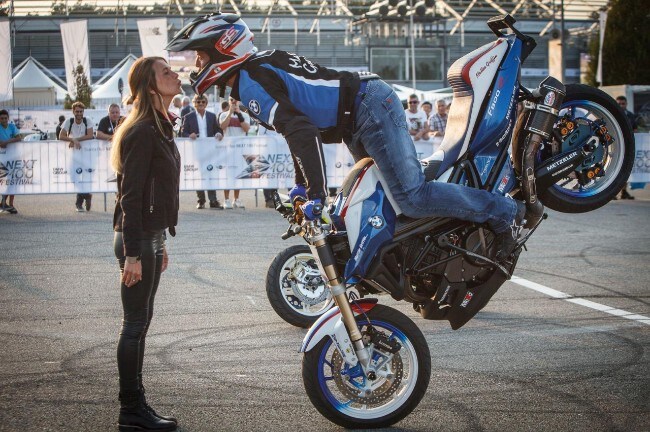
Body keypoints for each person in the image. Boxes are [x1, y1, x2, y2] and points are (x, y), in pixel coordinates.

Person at [166, 13, 526, 262]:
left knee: (412, 197)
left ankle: (504, 212)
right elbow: (297, 131)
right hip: (361, 111)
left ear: (223, 50)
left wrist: (318, 194)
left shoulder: (251, 81)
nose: (196, 67)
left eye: (199, 57)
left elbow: (302, 132)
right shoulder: (255, 73)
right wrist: (302, 187)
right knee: (386, 197)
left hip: (367, 108)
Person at [109, 56, 181, 432]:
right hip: (134, 241)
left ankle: (136, 407)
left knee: (142, 321)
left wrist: (160, 240)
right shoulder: (141, 131)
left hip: (148, 238)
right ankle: (131, 411)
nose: (175, 75)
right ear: (151, 87)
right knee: (134, 324)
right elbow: (130, 197)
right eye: (166, 72)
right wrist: (134, 254)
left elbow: (156, 192)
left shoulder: (161, 127)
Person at [181, 94, 224, 209]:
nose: (200, 104)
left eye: (203, 102)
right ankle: (201, 200)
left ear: (206, 103)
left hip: (210, 150)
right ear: (194, 103)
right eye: (198, 102)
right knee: (198, 175)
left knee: (211, 174)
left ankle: (213, 201)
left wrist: (219, 134)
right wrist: (189, 135)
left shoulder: (211, 116)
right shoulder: (188, 117)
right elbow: (183, 132)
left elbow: (218, 129)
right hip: (196, 150)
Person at [58, 102, 95, 212]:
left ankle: (79, 204)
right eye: (77, 111)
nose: (79, 113)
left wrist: (76, 139)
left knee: (85, 178)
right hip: (74, 154)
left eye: (81, 111)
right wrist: (72, 140)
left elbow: (90, 135)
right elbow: (61, 136)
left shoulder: (87, 120)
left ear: (83, 112)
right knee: (73, 177)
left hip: (87, 154)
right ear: (73, 111)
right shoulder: (69, 121)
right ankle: (86, 195)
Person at [218, 96, 250, 209]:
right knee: (227, 174)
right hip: (227, 149)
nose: (234, 102)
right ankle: (226, 199)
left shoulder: (245, 115)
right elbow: (222, 126)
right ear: (229, 101)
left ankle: (236, 198)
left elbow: (246, 129)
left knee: (238, 173)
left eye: (236, 100)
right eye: (232, 100)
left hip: (240, 149)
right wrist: (230, 112)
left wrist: (238, 114)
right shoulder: (223, 114)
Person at [0, 109, 22, 214]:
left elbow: (19, 138)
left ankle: (9, 204)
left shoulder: (12, 127)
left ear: (8, 118)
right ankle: (4, 202)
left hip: (12, 157)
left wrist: (6, 142)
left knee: (12, 180)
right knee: (4, 181)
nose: (4, 120)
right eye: (2, 118)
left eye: (5, 118)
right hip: (2, 158)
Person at [615, 95, 637, 200]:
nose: (621, 105)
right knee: (614, 169)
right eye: (619, 103)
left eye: (623, 103)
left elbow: (635, 130)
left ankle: (624, 192)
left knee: (626, 169)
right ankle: (613, 193)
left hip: (627, 147)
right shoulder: (613, 114)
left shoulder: (631, 116)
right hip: (614, 146)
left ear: (626, 104)